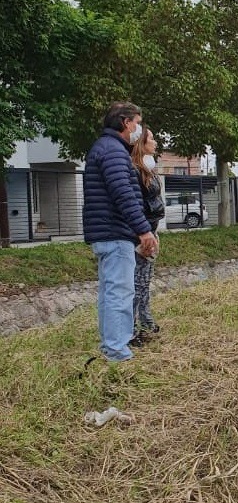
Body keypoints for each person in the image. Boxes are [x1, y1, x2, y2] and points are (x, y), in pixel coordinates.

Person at [83, 102, 158, 362]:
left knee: (109, 292)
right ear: (126, 122)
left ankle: (110, 346)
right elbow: (124, 195)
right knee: (120, 293)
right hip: (115, 232)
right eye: (137, 122)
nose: (139, 127)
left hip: (106, 232)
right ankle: (117, 351)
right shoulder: (114, 151)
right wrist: (143, 230)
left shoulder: (104, 148)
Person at [130, 125, 165, 346]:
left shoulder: (149, 169)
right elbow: (135, 204)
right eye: (151, 139)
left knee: (144, 281)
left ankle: (145, 320)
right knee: (136, 283)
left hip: (150, 230)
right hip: (140, 234)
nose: (155, 143)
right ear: (141, 144)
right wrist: (142, 233)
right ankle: (133, 327)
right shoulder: (134, 171)